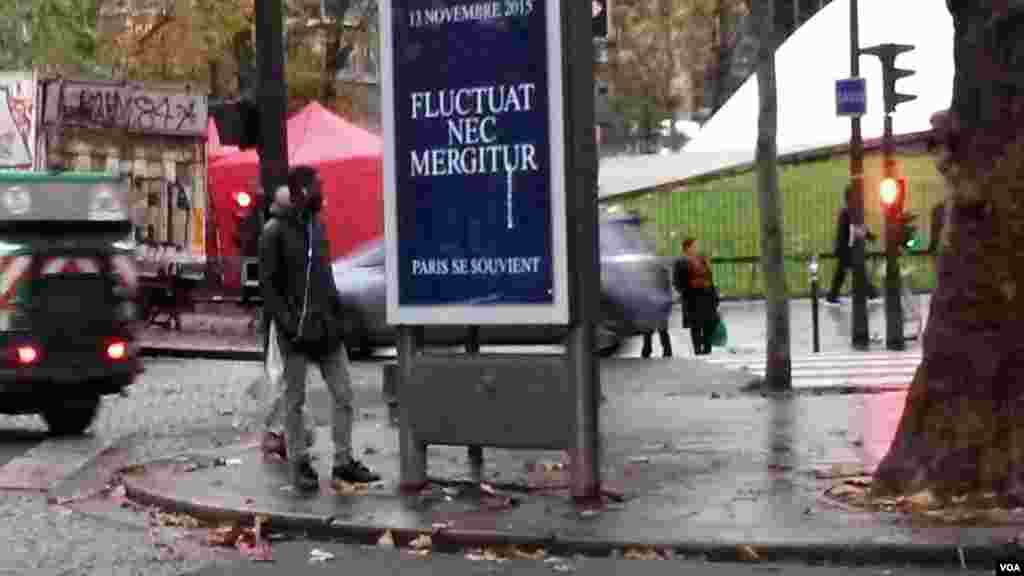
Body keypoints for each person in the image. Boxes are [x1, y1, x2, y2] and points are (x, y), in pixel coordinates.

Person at [260, 165, 380, 491]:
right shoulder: (274, 231)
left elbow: (325, 277)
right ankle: (300, 463)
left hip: (326, 329)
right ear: (300, 191)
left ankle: (343, 462)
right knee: (294, 401)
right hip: (295, 334)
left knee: (344, 395)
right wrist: (289, 325)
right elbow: (269, 289)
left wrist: (337, 317)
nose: (322, 192)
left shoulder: (317, 226)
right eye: (317, 187)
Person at [826, 184, 880, 306]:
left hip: (845, 249)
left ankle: (832, 296)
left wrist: (869, 235)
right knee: (858, 272)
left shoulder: (848, 211)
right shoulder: (849, 212)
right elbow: (857, 229)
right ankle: (871, 293)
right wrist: (870, 236)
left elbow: (858, 228)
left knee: (843, 274)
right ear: (851, 198)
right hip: (847, 250)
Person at [673, 237, 718, 355]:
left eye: (696, 246)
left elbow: (709, 277)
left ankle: (707, 347)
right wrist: (685, 292)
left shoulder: (702, 259)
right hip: (692, 297)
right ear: (687, 248)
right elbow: (677, 281)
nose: (696, 248)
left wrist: (714, 294)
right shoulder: (681, 261)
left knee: (708, 323)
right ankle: (698, 349)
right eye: (694, 246)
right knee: (696, 325)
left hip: (706, 296)